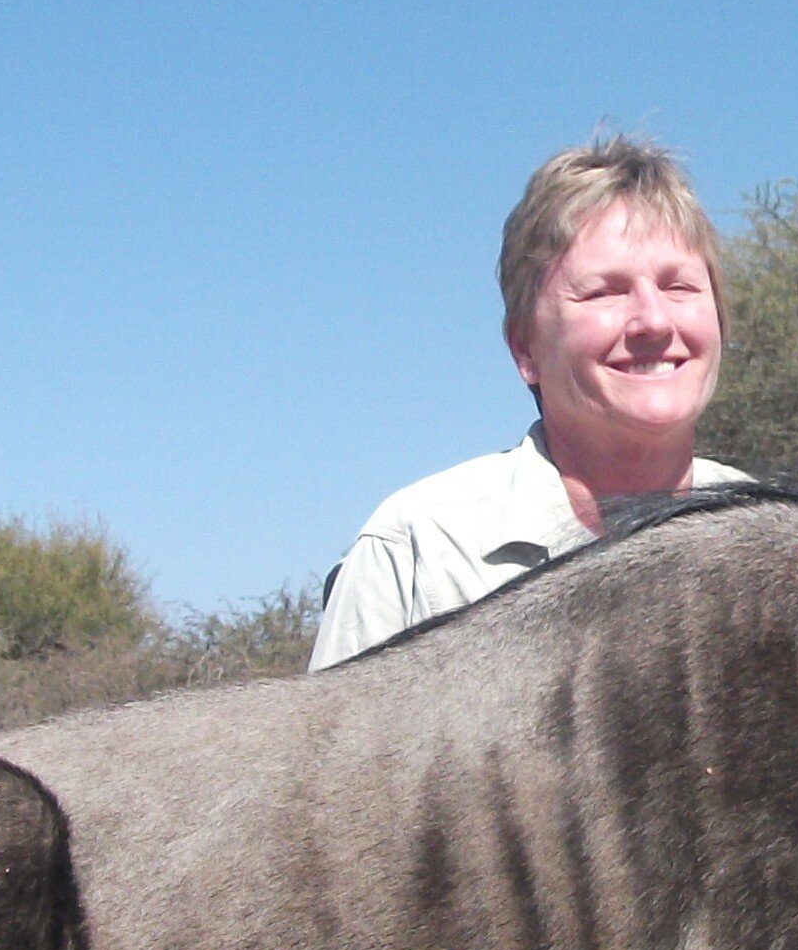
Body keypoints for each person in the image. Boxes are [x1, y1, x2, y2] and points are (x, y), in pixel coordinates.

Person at [309, 136, 750, 669]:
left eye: (679, 286)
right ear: (525, 350)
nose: (654, 321)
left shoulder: (782, 542)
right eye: (603, 292)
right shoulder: (417, 551)